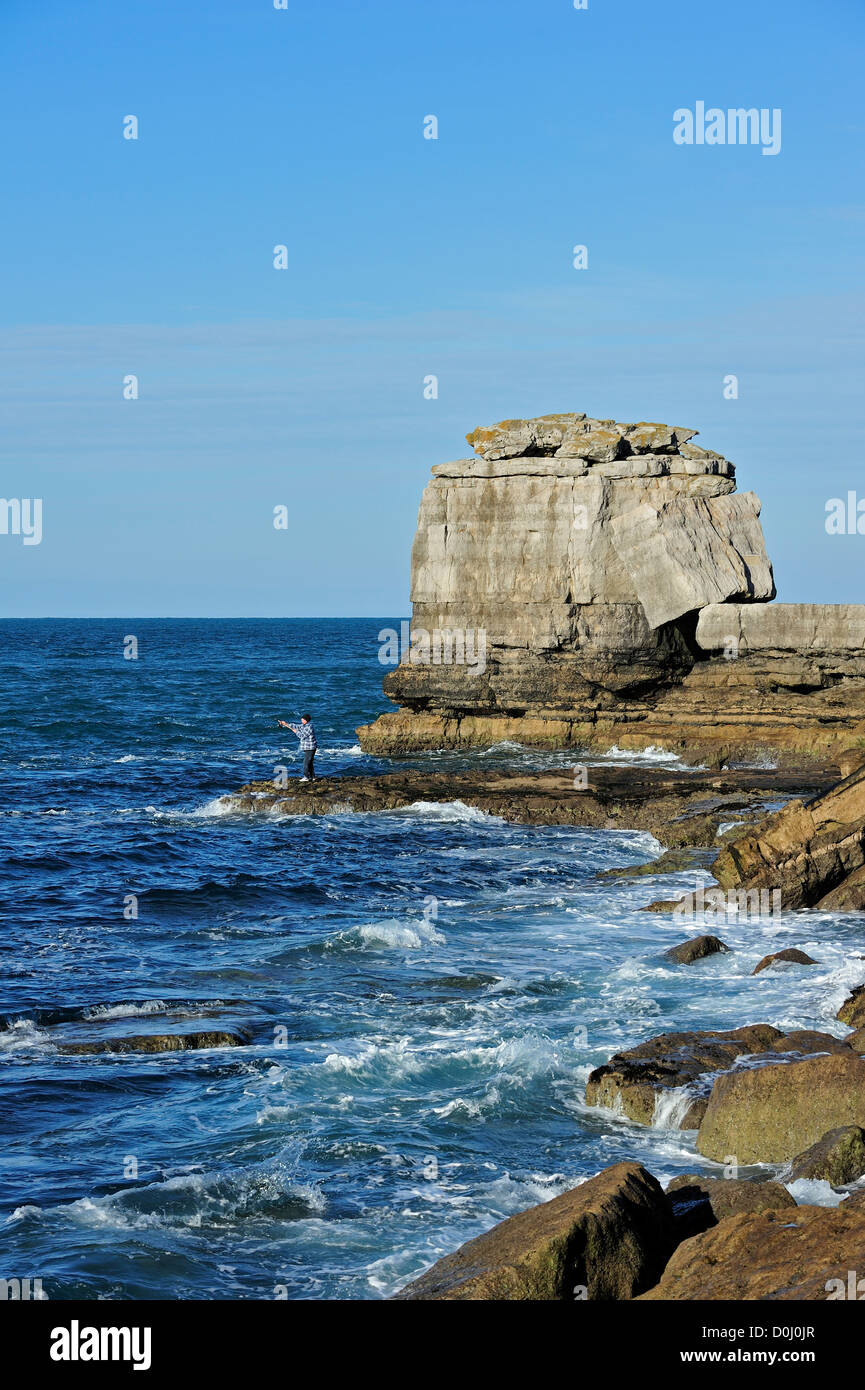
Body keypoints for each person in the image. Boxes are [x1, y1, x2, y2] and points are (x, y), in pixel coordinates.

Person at [278, 714, 318, 782]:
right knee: (309, 763)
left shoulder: (309, 727)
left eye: (302, 719)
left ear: (306, 720)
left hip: (310, 748)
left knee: (306, 763)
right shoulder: (304, 725)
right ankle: (312, 776)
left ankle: (306, 777)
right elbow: (296, 726)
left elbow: (302, 736)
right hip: (308, 747)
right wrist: (286, 724)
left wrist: (296, 732)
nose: (301, 720)